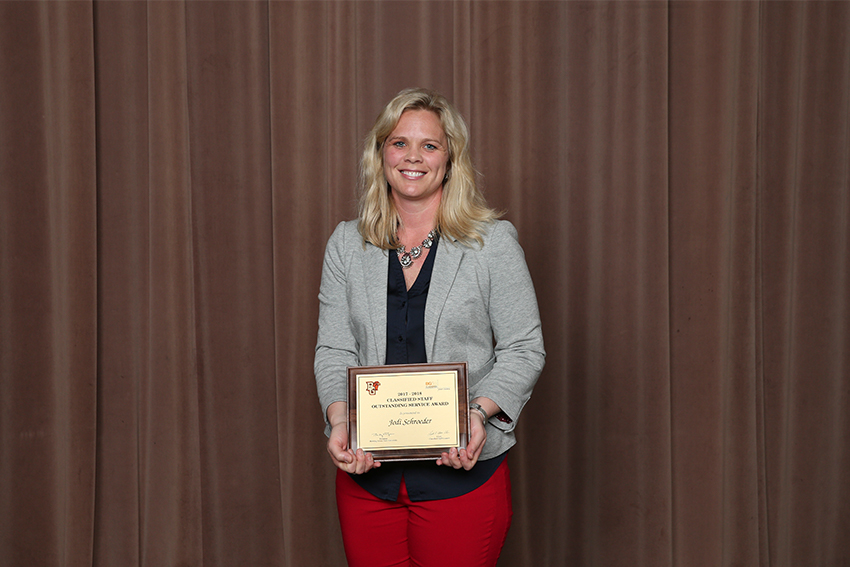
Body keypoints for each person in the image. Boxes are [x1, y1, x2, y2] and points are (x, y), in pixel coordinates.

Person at [314, 87, 545, 567]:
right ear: (381, 153)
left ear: (450, 158)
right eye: (399, 143)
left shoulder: (492, 243)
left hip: (462, 477)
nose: (413, 157)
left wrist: (477, 414)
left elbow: (524, 349)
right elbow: (335, 349)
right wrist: (340, 420)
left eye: (430, 145)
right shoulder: (346, 244)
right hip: (367, 480)